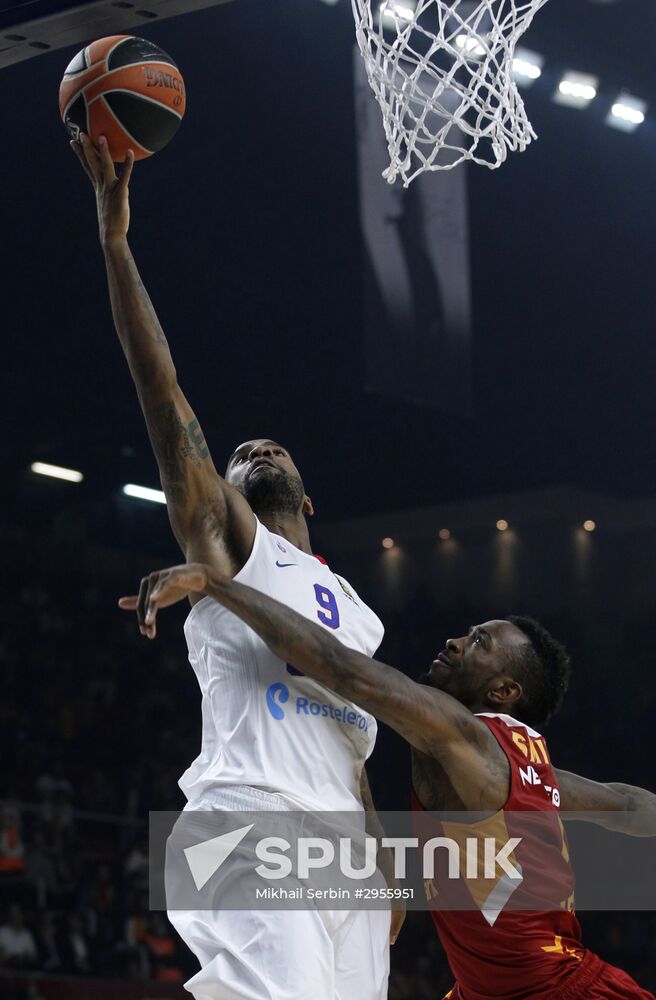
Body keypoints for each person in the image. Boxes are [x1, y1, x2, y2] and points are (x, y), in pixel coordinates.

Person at [70, 133, 393, 1000]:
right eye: (241, 451)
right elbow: (162, 390)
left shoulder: (357, 613)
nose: (254, 446)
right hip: (245, 819)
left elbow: (348, 748)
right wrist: (115, 241)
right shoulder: (224, 540)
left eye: (271, 446)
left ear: (310, 499)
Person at [121, 563, 656, 1000]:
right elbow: (627, 804)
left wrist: (215, 583)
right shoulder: (526, 759)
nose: (455, 640)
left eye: (478, 643)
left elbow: (341, 668)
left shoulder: (465, 738)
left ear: (503, 690)